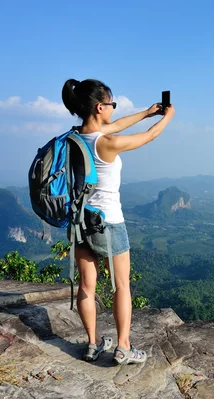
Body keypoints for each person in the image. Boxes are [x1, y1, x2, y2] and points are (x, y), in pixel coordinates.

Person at [61, 78, 175, 364]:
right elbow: (148, 137)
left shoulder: (74, 138)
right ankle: (123, 346)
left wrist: (148, 112)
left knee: (88, 286)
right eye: (111, 105)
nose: (113, 110)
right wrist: (167, 117)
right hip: (108, 222)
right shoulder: (107, 144)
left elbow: (117, 125)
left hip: (80, 221)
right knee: (121, 285)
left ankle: (91, 344)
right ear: (100, 107)